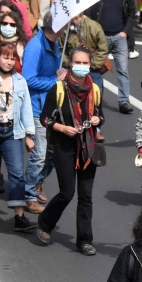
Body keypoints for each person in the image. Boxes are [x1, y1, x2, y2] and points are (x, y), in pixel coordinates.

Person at [36, 46, 103, 255]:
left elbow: (101, 115)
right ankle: (45, 223)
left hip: (88, 148)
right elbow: (45, 118)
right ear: (70, 64)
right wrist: (62, 128)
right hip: (64, 146)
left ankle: (84, 240)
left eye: (85, 63)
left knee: (86, 196)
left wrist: (97, 119)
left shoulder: (95, 89)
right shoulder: (58, 89)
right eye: (78, 63)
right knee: (67, 193)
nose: (81, 67)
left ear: (90, 65)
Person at [0, 42, 37, 233]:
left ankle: (19, 216)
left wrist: (29, 135)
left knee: (17, 173)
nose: (9, 62)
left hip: (13, 132)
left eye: (12, 58)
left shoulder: (20, 81)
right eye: (5, 57)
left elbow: (26, 109)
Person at [88, 0, 138, 114]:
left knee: (123, 70)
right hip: (100, 38)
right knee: (95, 69)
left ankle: (124, 102)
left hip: (119, 37)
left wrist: (125, 32)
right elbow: (89, 13)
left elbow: (131, 14)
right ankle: (95, 100)